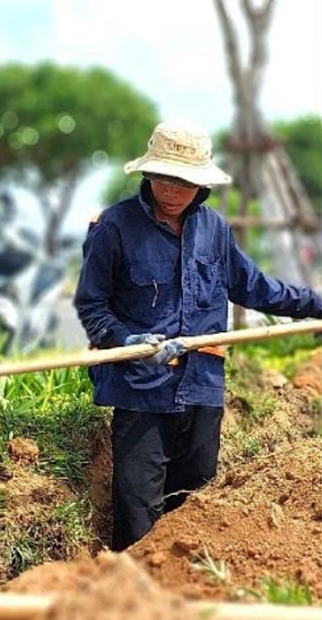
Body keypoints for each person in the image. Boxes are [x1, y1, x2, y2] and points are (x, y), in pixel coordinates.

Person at [73, 120, 322, 551]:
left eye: (183, 181)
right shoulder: (115, 228)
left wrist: (317, 304)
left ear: (200, 183)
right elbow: (93, 305)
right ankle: (134, 598)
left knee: (193, 506)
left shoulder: (214, 230)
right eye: (164, 178)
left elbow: (256, 288)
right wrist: (127, 341)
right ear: (148, 174)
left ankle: (186, 599)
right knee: (138, 510)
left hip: (203, 387)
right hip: (141, 392)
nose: (171, 190)